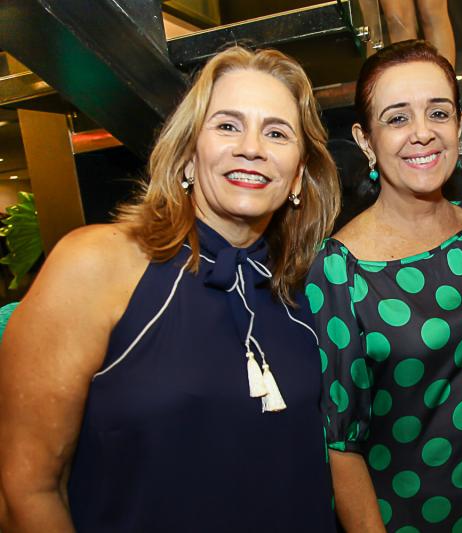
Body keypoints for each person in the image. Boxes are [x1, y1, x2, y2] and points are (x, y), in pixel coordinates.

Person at [0, 46, 340, 532]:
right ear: (187, 157)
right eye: (227, 125)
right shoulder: (98, 264)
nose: (252, 147)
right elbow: (27, 488)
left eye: (277, 133)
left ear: (298, 177)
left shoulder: (304, 290)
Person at [306, 40, 462, 532]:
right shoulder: (339, 270)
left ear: (458, 124)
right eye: (397, 118)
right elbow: (340, 446)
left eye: (438, 112)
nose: (423, 133)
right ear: (365, 140)